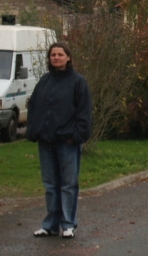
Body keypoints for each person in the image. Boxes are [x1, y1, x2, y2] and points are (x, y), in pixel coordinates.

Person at [27, 42, 92, 239]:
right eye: (53, 55)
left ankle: (68, 224)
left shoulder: (78, 82)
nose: (56, 58)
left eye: (60, 54)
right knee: (50, 185)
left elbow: (84, 112)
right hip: (46, 142)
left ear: (68, 57)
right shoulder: (45, 82)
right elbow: (34, 106)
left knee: (68, 184)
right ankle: (50, 225)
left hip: (68, 142)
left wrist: (76, 136)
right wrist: (33, 130)